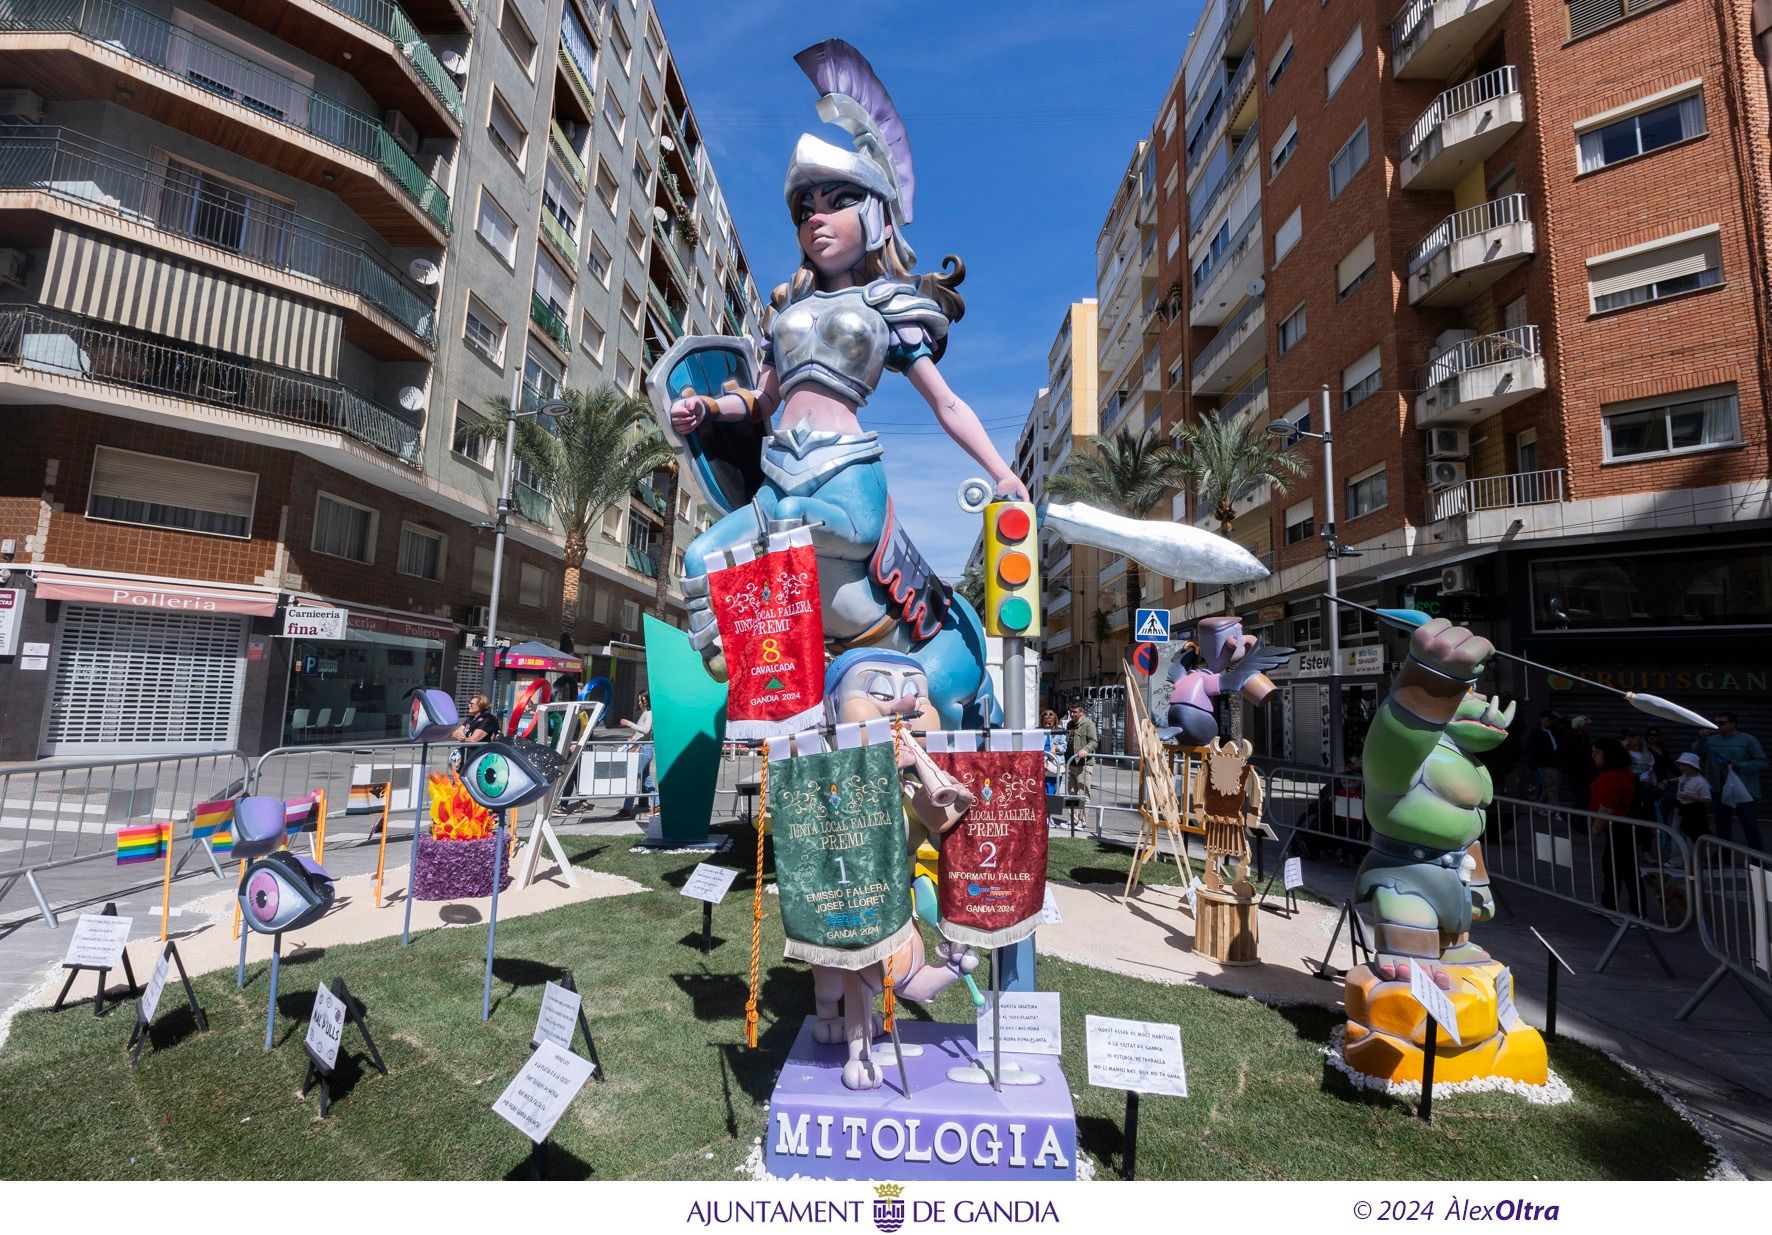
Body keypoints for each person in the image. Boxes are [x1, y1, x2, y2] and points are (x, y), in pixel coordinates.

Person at [1692, 712, 1765, 850]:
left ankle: (1757, 857)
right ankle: (1723, 855)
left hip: (1743, 788)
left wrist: (1739, 765)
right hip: (1718, 787)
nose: (1718, 726)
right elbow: (1696, 755)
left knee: (1748, 822)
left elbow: (1761, 762)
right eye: (1716, 722)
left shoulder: (1748, 740)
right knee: (1722, 824)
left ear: (1733, 724)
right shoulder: (1711, 740)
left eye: (1722, 723)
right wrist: (1700, 740)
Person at [1589, 737, 1640, 914]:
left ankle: (1633, 910)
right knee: (1618, 868)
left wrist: (1594, 832)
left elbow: (1606, 808)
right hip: (1621, 828)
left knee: (1620, 869)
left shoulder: (1613, 777)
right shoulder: (1622, 773)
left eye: (1597, 753)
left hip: (1620, 828)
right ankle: (1611, 903)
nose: (1594, 756)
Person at [617, 692, 654, 819]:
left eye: (641, 700)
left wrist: (629, 723)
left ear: (647, 701)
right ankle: (658, 804)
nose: (639, 702)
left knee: (633, 778)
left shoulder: (649, 713)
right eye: (638, 700)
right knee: (645, 780)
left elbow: (646, 730)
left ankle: (627, 810)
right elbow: (642, 732)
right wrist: (633, 739)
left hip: (644, 749)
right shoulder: (645, 713)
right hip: (643, 748)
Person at [1523, 709, 1564, 805]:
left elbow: (1570, 726)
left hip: (1554, 765)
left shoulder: (1554, 731)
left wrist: (1559, 717)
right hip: (1543, 766)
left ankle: (1540, 805)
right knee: (1549, 787)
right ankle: (1550, 807)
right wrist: (1534, 766)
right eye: (1546, 719)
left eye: (1550, 720)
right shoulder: (1537, 733)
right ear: (1542, 720)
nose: (1548, 722)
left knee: (1549, 787)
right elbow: (1531, 749)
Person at [1065, 703, 1098, 813]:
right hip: (1070, 763)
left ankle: (1082, 821)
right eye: (1070, 711)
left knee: (1083, 793)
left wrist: (1086, 749)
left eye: (1074, 712)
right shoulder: (1069, 724)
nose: (1072, 714)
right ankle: (1073, 820)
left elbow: (1094, 741)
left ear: (1081, 712)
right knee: (1071, 793)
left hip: (1083, 764)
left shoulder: (1088, 724)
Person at [1673, 751, 1712, 843]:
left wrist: (1690, 796)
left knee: (1692, 835)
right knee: (1676, 833)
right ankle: (1677, 856)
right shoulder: (1684, 776)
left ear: (1693, 766)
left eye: (1685, 765)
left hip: (1693, 810)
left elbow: (1708, 799)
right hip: (1680, 808)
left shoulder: (1701, 782)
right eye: (1680, 765)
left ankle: (1693, 855)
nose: (1682, 768)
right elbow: (1680, 778)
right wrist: (1668, 781)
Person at [1561, 715, 1594, 808]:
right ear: (1580, 727)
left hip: (1586, 775)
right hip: (1576, 775)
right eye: (1587, 726)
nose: (1589, 728)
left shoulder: (1584, 739)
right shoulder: (1569, 738)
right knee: (1582, 798)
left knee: (1585, 798)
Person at [1040, 707, 1067, 805]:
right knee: (1043, 792)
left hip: (1055, 765)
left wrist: (1056, 748)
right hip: (1042, 765)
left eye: (1050, 724)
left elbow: (1064, 747)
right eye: (1045, 724)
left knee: (1053, 791)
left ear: (1054, 723)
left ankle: (1049, 816)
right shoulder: (1039, 733)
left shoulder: (1060, 733)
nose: (1047, 726)